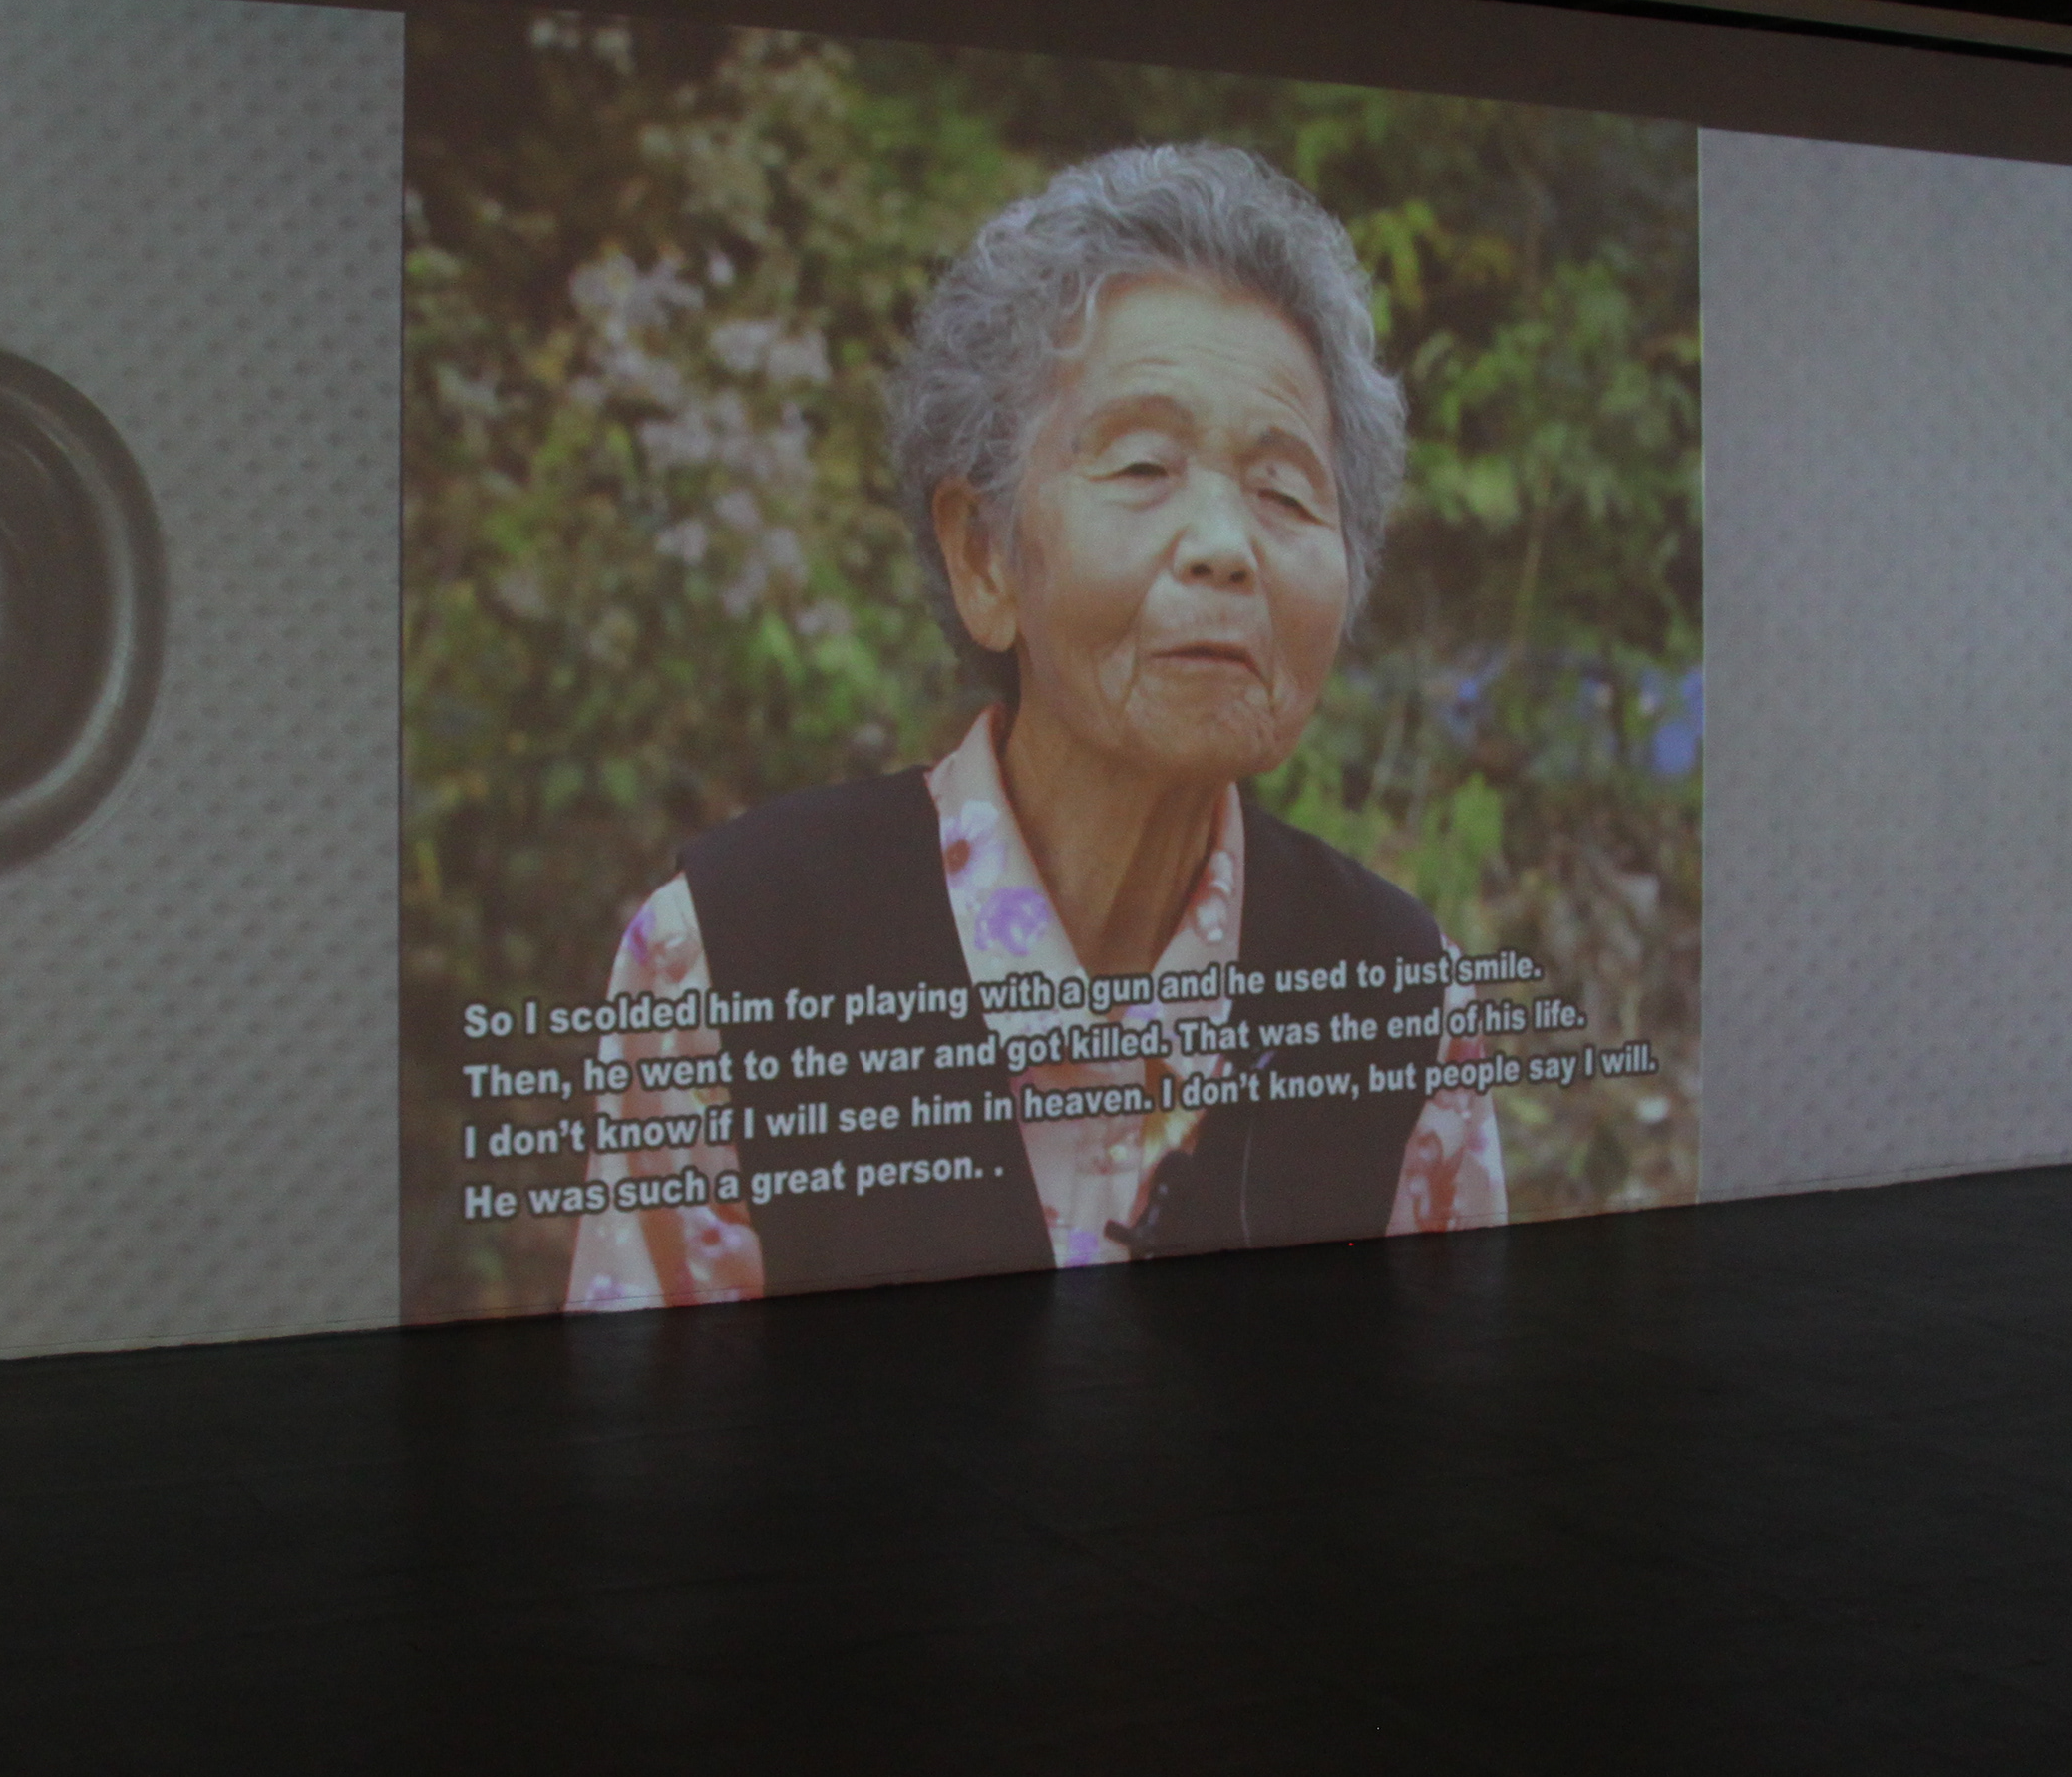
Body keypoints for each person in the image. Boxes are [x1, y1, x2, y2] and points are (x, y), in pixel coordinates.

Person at [564, 145, 1505, 1311]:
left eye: (1286, 490)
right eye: (1144, 464)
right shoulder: (730, 955)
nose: (1227, 542)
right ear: (983, 557)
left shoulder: (1403, 1001)